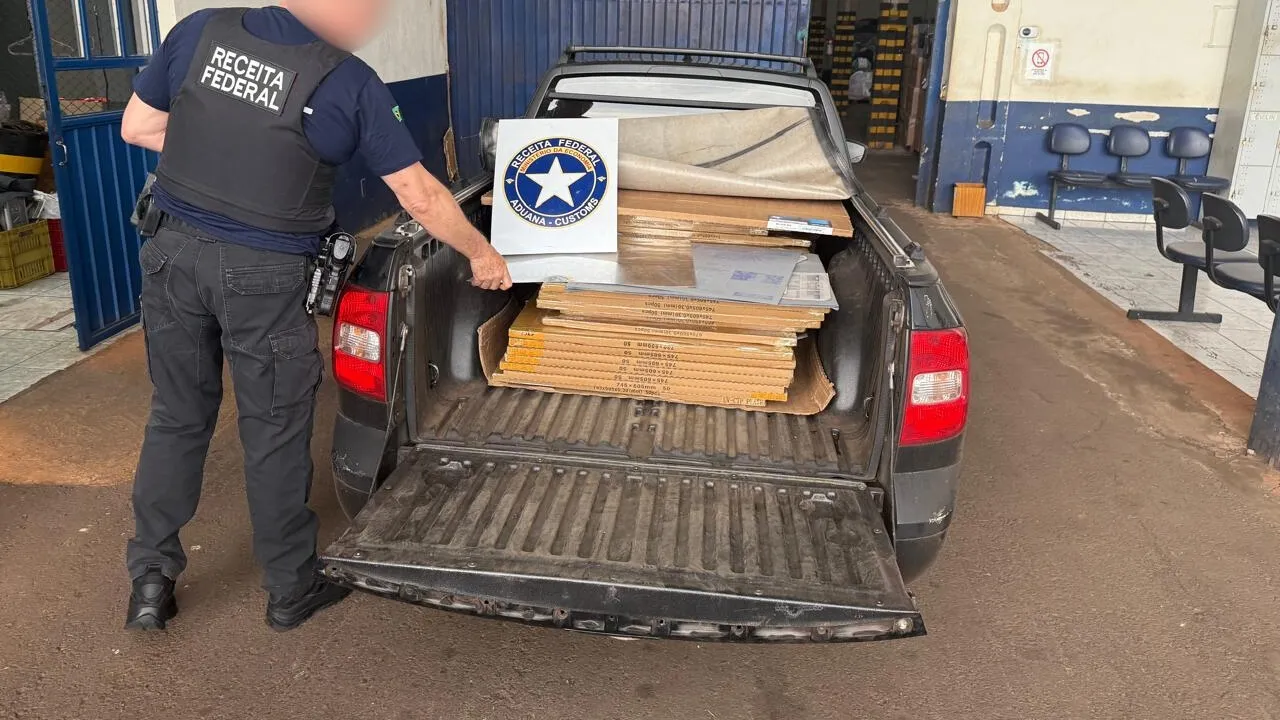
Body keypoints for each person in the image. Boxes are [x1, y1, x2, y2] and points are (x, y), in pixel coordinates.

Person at [119, 0, 512, 632]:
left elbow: (137, 127)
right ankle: (290, 588)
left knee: (177, 416)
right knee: (272, 429)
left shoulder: (200, 29)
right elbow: (418, 194)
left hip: (170, 254)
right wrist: (481, 252)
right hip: (262, 276)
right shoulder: (347, 80)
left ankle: (150, 581)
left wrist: (228, 156)